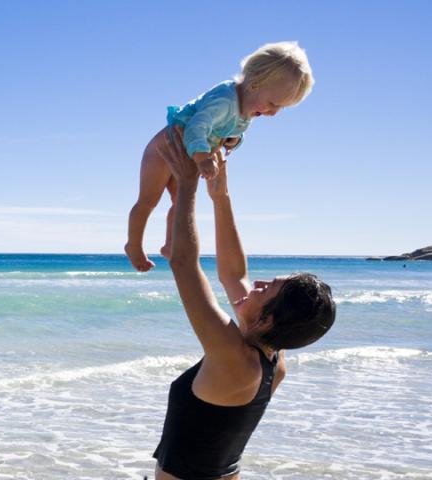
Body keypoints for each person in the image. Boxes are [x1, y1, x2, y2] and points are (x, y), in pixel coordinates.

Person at [152, 156, 337, 479]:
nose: (258, 284)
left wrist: (187, 184)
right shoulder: (272, 360)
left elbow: (184, 263)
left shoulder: (234, 360)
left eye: (268, 289)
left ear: (267, 321)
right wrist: (220, 196)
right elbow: (234, 273)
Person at [126, 41, 315, 272]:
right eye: (273, 104)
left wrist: (233, 142)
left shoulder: (248, 110)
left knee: (180, 202)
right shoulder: (225, 100)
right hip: (165, 148)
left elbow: (232, 133)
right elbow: (197, 126)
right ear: (255, 85)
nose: (274, 113)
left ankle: (170, 244)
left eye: (281, 108)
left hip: (189, 156)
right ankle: (133, 244)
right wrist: (203, 158)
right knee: (148, 200)